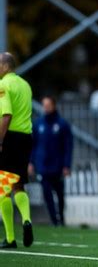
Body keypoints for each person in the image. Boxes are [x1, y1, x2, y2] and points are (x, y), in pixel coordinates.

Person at [0, 52, 33, 248]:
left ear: (5, 66)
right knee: (19, 185)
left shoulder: (3, 85)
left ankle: (11, 238)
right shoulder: (26, 85)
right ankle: (27, 219)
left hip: (9, 138)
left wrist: (0, 140)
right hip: (26, 138)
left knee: (2, 191)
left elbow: (6, 115)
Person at [28, 96, 73, 226]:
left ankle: (61, 218)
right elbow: (33, 145)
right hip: (42, 166)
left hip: (58, 166)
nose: (46, 108)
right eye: (44, 105)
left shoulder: (62, 125)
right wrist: (31, 162)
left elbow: (68, 147)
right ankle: (54, 220)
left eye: (48, 105)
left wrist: (67, 165)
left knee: (60, 194)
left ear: (54, 106)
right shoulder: (38, 124)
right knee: (47, 194)